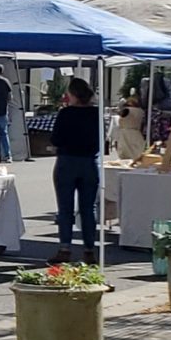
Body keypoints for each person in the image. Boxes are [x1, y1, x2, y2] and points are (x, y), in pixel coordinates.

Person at [50, 78, 103, 263]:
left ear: (73, 95)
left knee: (65, 209)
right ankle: (89, 249)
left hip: (67, 162)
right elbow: (100, 141)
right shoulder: (96, 113)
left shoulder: (66, 114)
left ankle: (65, 248)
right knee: (88, 209)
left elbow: (56, 139)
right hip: (89, 162)